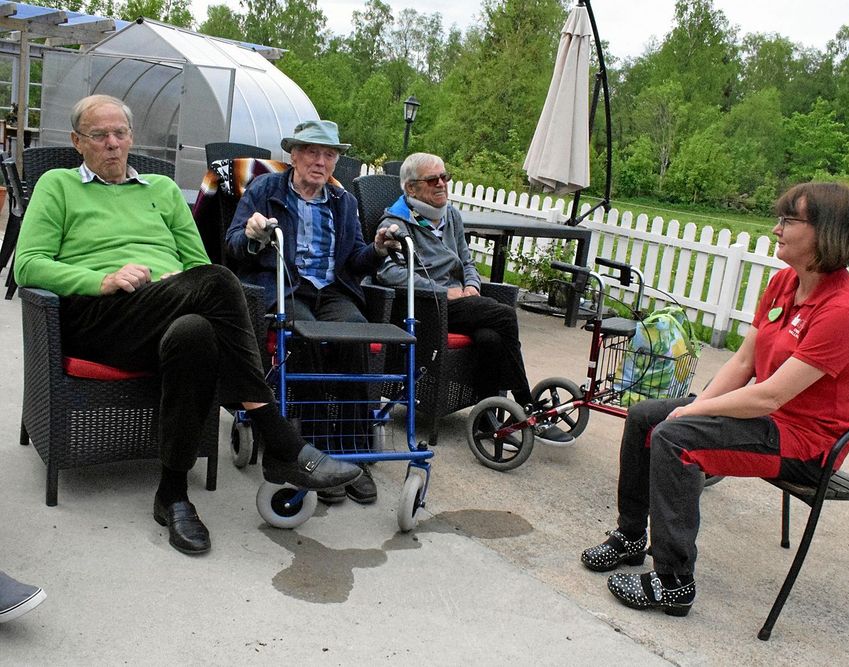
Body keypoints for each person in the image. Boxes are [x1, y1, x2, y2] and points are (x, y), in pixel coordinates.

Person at [14, 94, 362, 556]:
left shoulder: (159, 189)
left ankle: (172, 495)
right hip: (99, 316)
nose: (113, 144)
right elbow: (28, 266)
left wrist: (176, 282)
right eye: (100, 135)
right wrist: (102, 279)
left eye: (120, 133)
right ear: (79, 142)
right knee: (219, 282)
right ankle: (279, 439)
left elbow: (196, 262)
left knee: (197, 333)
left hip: (164, 309)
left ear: (132, 137)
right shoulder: (57, 185)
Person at [581, 182, 849, 616]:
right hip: (770, 419)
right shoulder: (783, 284)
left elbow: (771, 395)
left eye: (788, 221)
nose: (776, 229)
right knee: (647, 415)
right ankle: (629, 537)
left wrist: (690, 413)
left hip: (808, 444)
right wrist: (687, 405)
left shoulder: (843, 312)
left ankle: (673, 582)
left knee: (676, 438)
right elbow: (742, 363)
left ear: (826, 231)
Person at [225, 120, 399, 506]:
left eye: (329, 155)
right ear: (295, 155)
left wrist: (377, 250)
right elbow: (232, 246)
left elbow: (354, 261)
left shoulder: (343, 202)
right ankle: (317, 453)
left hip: (331, 289)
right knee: (303, 338)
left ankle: (352, 451)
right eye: (313, 152)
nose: (321, 161)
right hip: (286, 285)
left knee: (355, 333)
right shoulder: (265, 189)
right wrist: (253, 236)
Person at [375, 152, 571, 445]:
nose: (442, 184)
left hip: (463, 301)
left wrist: (472, 286)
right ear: (411, 188)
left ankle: (489, 420)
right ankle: (526, 407)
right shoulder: (395, 224)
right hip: (430, 307)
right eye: (433, 179)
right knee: (504, 315)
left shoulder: (450, 215)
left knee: (491, 338)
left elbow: (467, 262)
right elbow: (389, 274)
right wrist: (441, 291)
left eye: (445, 177)